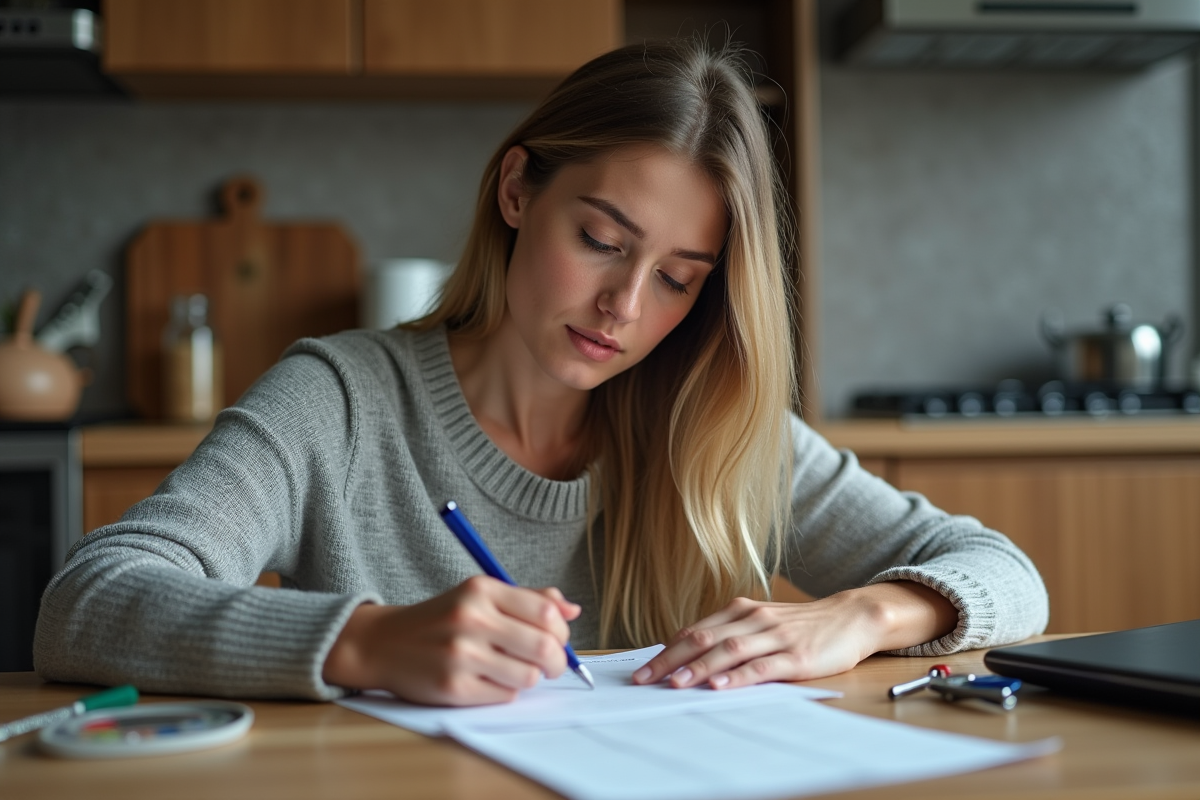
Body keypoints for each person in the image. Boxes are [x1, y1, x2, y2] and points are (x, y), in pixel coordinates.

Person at [34, 39, 1048, 706]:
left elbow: (1006, 574)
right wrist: (365, 641)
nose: (625, 306)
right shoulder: (336, 400)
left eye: (678, 279)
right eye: (601, 240)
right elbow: (86, 601)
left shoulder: (715, 425)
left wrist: (860, 614)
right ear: (518, 191)